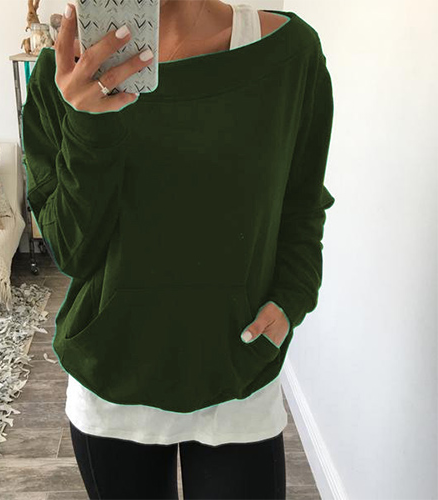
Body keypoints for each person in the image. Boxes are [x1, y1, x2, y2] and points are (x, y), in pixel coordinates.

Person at [21, 0, 335, 498]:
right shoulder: (60, 76)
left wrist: (292, 297)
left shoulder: (287, 56)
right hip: (112, 382)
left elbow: (302, 200)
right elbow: (73, 251)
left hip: (238, 374)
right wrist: (88, 123)